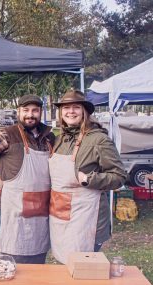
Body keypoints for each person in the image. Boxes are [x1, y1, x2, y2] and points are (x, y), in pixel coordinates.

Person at [0, 95, 55, 264]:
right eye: (26, 110)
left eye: (35, 111)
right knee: (15, 256)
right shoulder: (7, 135)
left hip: (43, 207)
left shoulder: (48, 138)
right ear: (19, 112)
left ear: (40, 113)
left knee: (39, 257)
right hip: (15, 207)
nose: (30, 115)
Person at [49, 90, 126, 264]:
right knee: (64, 265)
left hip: (86, 218)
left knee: (84, 271)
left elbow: (119, 176)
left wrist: (89, 179)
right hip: (60, 216)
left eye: (76, 107)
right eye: (66, 107)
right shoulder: (59, 139)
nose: (70, 111)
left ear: (85, 112)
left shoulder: (99, 139)